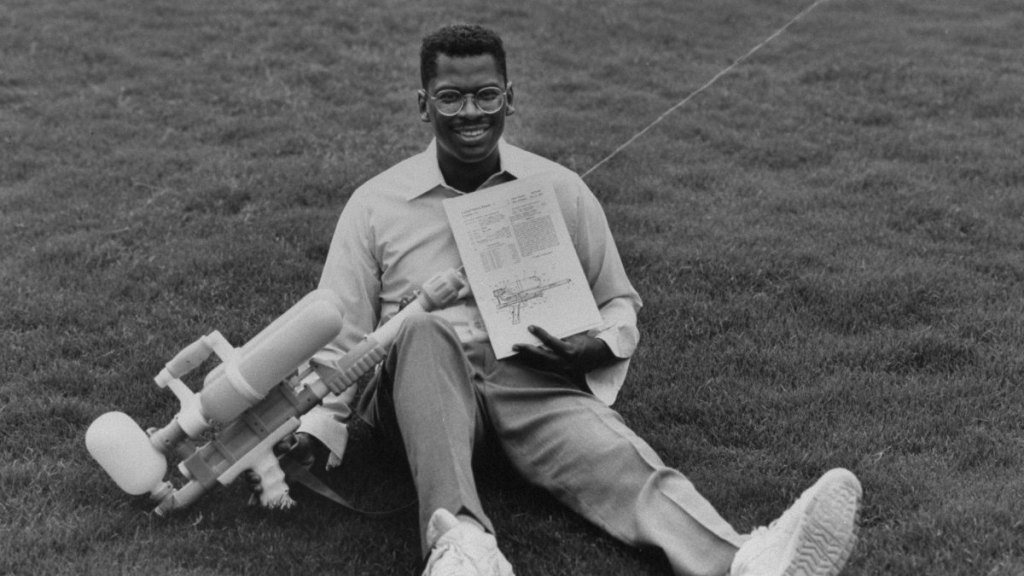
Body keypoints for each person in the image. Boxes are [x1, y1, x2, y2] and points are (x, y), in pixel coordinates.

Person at [276, 23, 862, 576]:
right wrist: (320, 426)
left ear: (510, 97)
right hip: (418, 389)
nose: (471, 112)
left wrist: (593, 347)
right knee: (426, 331)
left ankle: (742, 559)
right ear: (423, 104)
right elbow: (344, 331)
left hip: (525, 375)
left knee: (616, 457)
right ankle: (461, 544)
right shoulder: (376, 203)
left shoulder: (557, 188)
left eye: (485, 95)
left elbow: (618, 300)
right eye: (450, 98)